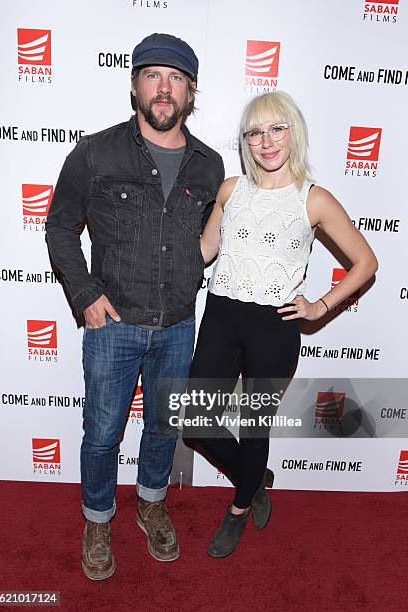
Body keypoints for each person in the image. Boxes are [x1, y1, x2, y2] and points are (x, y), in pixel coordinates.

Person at [45, 33, 224, 579]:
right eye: (152, 75)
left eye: (176, 78)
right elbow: (58, 226)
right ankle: (98, 518)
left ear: (191, 92)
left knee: (164, 428)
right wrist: (85, 296)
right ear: (134, 85)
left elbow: (209, 239)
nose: (163, 88)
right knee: (102, 431)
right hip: (112, 324)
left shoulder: (209, 166)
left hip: (176, 325)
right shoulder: (96, 152)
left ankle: (150, 503)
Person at [183, 91, 378, 558]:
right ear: (246, 142)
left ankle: (237, 508)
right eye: (254, 132)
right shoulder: (230, 191)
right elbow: (203, 253)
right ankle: (255, 482)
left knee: (253, 428)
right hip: (221, 316)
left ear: (293, 132)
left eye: (276, 129)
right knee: (196, 421)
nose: (265, 141)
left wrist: (320, 306)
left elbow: (366, 261)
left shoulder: (314, 199)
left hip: (274, 326)